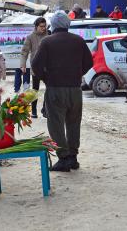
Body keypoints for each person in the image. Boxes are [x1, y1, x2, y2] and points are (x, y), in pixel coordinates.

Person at [32, 11, 93, 172]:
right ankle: (73, 157)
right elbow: (89, 62)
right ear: (68, 24)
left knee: (56, 124)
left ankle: (64, 158)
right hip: (75, 90)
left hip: (55, 89)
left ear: (53, 25)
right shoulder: (78, 41)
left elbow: (36, 66)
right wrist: (77, 74)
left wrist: (47, 78)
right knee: (74, 123)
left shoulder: (47, 42)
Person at [20, 17, 48, 118]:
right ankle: (34, 110)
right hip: (36, 67)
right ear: (36, 27)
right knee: (35, 90)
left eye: (45, 26)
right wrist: (22, 64)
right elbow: (24, 52)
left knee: (49, 89)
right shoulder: (30, 37)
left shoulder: (49, 36)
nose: (43, 28)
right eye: (41, 26)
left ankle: (45, 109)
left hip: (47, 67)